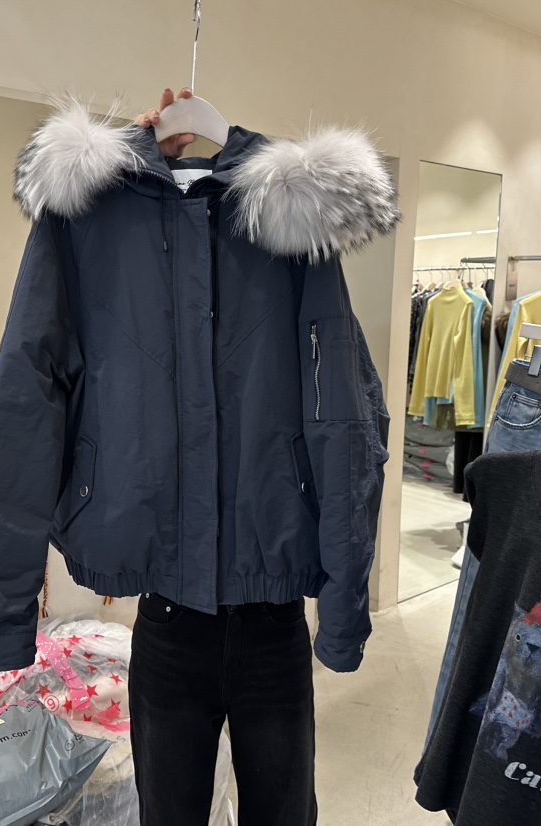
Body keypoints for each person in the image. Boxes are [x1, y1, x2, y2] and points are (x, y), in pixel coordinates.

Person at [125, 88, 319, 826]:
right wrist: (129, 164)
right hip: (169, 617)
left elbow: (347, 407)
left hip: (273, 611)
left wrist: (344, 608)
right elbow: (31, 388)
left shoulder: (291, 218)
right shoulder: (107, 220)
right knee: (167, 813)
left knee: (285, 812)